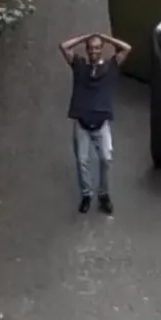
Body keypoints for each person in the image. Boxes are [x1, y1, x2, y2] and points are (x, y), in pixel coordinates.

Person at [59, 33, 132, 214]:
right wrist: (87, 36)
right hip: (82, 124)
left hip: (101, 124)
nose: (94, 51)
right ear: (86, 49)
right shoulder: (79, 66)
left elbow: (127, 48)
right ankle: (86, 194)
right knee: (82, 161)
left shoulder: (111, 67)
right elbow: (64, 46)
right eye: (91, 48)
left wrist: (104, 37)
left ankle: (104, 194)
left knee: (106, 159)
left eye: (98, 48)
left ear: (102, 49)